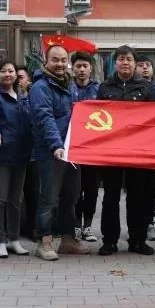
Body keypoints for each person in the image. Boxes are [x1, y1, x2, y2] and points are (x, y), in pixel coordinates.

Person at [97, 45, 155, 256]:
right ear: (115, 63)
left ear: (134, 63)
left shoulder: (146, 88)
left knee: (137, 197)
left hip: (137, 152)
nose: (125, 62)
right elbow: (97, 118)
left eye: (129, 59)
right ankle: (109, 241)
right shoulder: (104, 88)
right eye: (121, 58)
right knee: (110, 198)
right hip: (111, 152)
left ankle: (137, 241)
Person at [29, 45, 89, 260]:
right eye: (55, 60)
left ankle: (67, 239)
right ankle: (44, 241)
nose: (60, 64)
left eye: (64, 60)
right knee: (49, 198)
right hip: (51, 151)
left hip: (72, 150)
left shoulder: (69, 85)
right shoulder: (40, 87)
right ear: (46, 61)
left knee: (70, 196)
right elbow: (45, 118)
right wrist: (56, 145)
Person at [0, 60, 33, 258]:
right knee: (0, 199)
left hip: (21, 155)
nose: (8, 74)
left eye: (11, 71)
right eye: (3, 71)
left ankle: (14, 240)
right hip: (1, 154)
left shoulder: (23, 97)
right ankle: (0, 241)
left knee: (15, 200)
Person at [70, 51, 101, 243]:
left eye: (85, 66)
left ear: (91, 68)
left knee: (91, 190)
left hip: (94, 148)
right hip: (73, 146)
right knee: (74, 190)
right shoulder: (67, 88)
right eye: (78, 66)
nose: (81, 70)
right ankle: (75, 226)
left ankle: (87, 227)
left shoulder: (100, 89)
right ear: (72, 69)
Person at [135, 55, 155, 241]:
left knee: (151, 189)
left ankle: (150, 223)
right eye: (141, 65)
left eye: (148, 65)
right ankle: (137, 225)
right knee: (135, 189)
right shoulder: (131, 88)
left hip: (154, 147)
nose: (145, 68)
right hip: (134, 148)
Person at [16, 65, 39, 239]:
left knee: (33, 193)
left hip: (32, 154)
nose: (17, 80)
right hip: (12, 154)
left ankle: (32, 227)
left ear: (29, 80)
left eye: (21, 77)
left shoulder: (35, 98)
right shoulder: (4, 97)